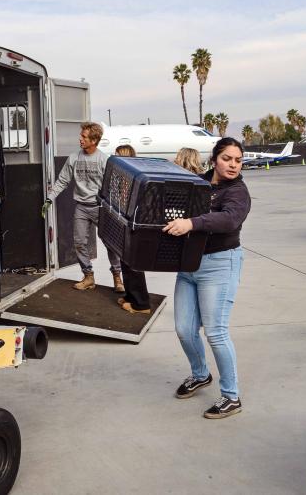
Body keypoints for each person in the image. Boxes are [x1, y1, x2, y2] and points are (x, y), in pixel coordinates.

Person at [163, 137, 251, 419]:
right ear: (214, 160)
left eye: (238, 160)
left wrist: (192, 223)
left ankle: (231, 396)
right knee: (184, 329)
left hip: (220, 264)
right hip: (189, 265)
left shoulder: (237, 192)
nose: (233, 165)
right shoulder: (199, 184)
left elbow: (228, 220)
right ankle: (201, 374)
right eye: (227, 158)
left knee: (215, 331)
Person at [42, 122, 122, 292]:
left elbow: (113, 187)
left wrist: (115, 210)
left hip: (101, 208)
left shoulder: (104, 160)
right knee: (79, 243)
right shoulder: (74, 158)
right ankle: (88, 277)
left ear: (94, 140)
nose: (80, 139)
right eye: (81, 136)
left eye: (84, 137)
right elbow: (63, 181)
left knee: (111, 243)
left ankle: (117, 277)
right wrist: (49, 199)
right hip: (81, 207)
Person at [111, 145, 151, 314]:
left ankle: (141, 304)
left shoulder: (136, 179)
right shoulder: (124, 179)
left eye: (117, 156)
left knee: (133, 264)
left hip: (135, 227)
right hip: (125, 225)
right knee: (125, 262)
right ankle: (130, 296)